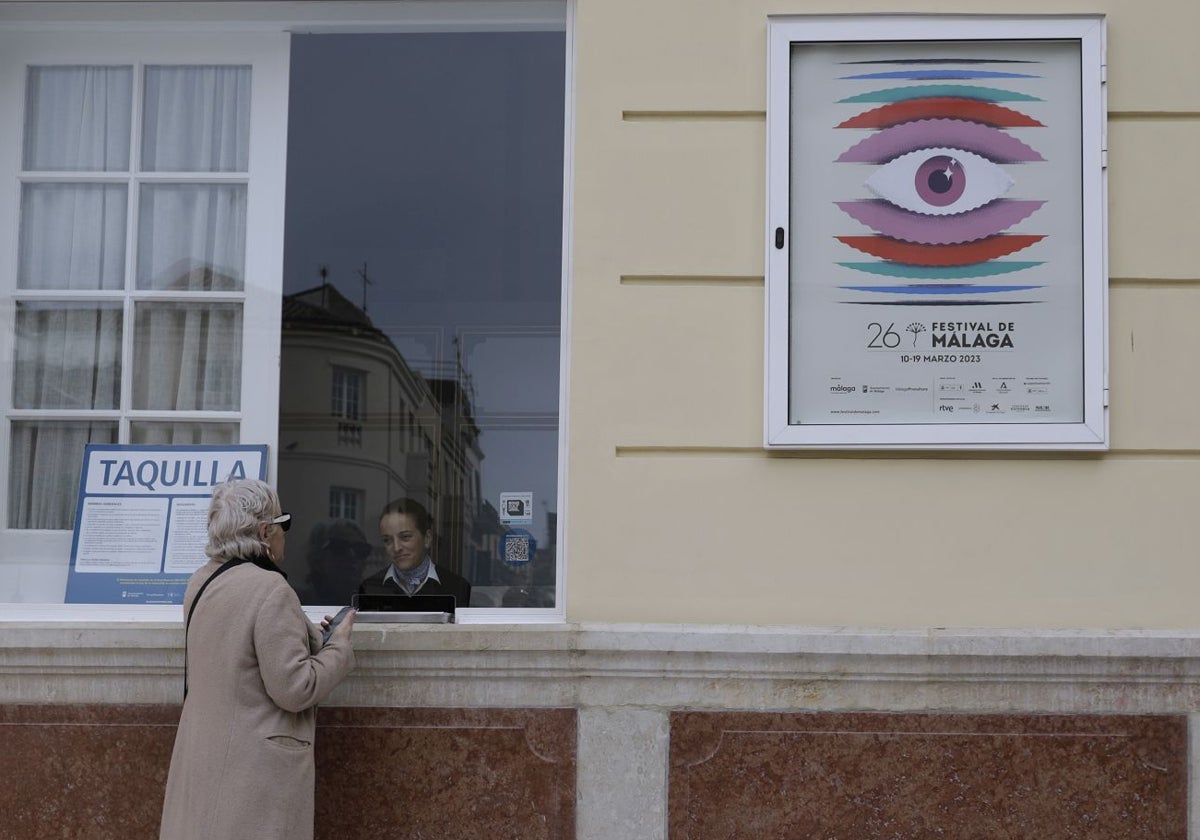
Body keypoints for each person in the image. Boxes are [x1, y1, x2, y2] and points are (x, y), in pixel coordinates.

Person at [159, 479, 355, 840]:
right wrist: (339, 647)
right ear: (266, 532)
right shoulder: (270, 589)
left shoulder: (201, 582)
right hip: (253, 776)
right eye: (285, 526)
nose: (285, 536)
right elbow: (295, 688)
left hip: (206, 763)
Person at [358, 497, 471, 607]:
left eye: (405, 537)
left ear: (427, 538)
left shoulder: (457, 587)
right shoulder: (369, 589)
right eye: (387, 540)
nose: (397, 548)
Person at [293, 518, 374, 605]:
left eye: (361, 550)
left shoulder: (373, 606)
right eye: (339, 548)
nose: (352, 555)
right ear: (317, 558)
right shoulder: (295, 603)